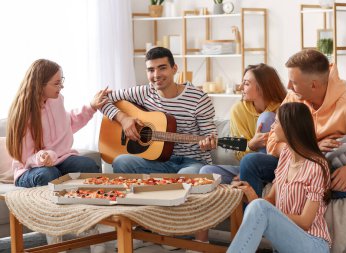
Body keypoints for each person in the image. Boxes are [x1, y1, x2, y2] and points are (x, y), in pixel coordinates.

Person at [240, 49, 346, 199]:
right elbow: (273, 142)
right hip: (294, 162)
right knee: (250, 162)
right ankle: (254, 218)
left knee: (340, 186)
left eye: (293, 82)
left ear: (314, 85)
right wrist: (308, 150)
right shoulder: (294, 97)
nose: (288, 86)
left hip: (326, 168)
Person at [228, 102, 331, 253]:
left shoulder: (316, 166)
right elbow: (270, 200)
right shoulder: (286, 156)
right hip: (288, 244)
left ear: (290, 128)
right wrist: (250, 194)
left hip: (313, 244)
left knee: (259, 206)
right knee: (258, 206)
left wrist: (260, 205)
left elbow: (305, 222)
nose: (272, 127)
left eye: (276, 122)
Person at [101, 47, 217, 175]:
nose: (156, 75)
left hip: (192, 162)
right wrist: (124, 119)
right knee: (121, 162)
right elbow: (101, 100)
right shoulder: (144, 92)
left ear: (174, 69)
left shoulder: (199, 98)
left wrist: (209, 143)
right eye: (151, 70)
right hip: (156, 161)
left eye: (162, 68)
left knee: (187, 176)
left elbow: (210, 136)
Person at [7, 59, 108, 188]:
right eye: (56, 83)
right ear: (40, 85)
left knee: (88, 165)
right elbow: (24, 158)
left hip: (60, 160)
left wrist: (91, 107)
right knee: (48, 174)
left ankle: (88, 202)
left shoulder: (57, 100)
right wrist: (41, 157)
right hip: (29, 168)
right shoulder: (23, 114)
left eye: (61, 81)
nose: (62, 86)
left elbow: (68, 123)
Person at [199, 64, 287, 184]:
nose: (240, 87)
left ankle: (253, 175)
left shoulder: (284, 107)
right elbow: (240, 154)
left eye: (246, 84)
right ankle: (252, 177)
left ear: (262, 87)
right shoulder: (238, 110)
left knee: (266, 118)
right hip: (248, 166)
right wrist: (251, 145)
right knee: (206, 172)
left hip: (278, 166)